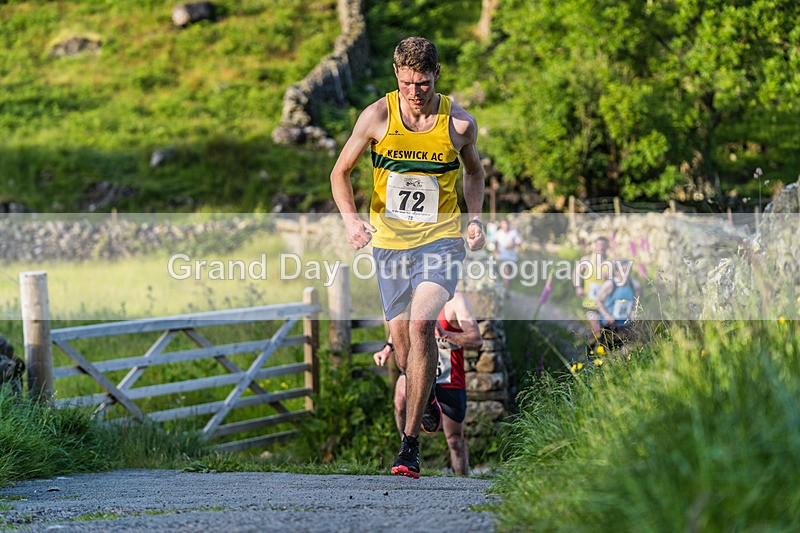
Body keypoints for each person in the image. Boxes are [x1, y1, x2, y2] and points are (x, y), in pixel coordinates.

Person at [330, 36, 485, 478]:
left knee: (421, 326)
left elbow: (475, 174)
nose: (413, 92)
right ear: (396, 76)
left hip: (440, 242)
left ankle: (409, 446)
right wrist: (351, 222)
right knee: (403, 349)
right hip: (390, 246)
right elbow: (339, 172)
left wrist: (474, 220)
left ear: (436, 74)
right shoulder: (377, 116)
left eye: (421, 83)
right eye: (405, 83)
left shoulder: (458, 124)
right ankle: (428, 395)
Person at [374, 290, 482, 476]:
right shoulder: (415, 296)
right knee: (400, 399)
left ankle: (463, 482)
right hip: (418, 372)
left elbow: (476, 339)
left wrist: (446, 334)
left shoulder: (456, 300)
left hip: (448, 376)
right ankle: (407, 450)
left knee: (454, 440)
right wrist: (387, 348)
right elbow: (401, 325)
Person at [592, 259, 641, 355]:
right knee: (609, 351)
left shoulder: (634, 285)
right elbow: (598, 301)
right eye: (622, 271)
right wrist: (606, 315)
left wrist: (634, 311)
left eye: (627, 271)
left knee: (626, 349)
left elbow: (637, 300)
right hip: (610, 322)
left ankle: (625, 366)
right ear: (615, 271)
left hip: (625, 321)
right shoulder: (610, 284)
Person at [573, 236, 612, 339]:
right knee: (597, 331)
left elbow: (617, 282)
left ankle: (591, 350)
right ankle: (598, 352)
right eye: (599, 245)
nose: (601, 248)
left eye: (603, 245)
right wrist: (577, 287)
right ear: (595, 246)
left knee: (605, 332)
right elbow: (576, 273)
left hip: (605, 304)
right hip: (590, 303)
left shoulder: (610, 263)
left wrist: (608, 278)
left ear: (607, 247)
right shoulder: (587, 260)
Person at [493, 218, 523, 297]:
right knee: (506, 273)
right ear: (501, 225)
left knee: (510, 275)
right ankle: (505, 292)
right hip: (503, 257)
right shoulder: (498, 233)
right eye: (503, 224)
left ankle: (506, 289)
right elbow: (495, 243)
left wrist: (513, 244)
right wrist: (496, 250)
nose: (505, 226)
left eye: (506, 224)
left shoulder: (513, 232)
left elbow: (519, 243)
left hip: (512, 257)